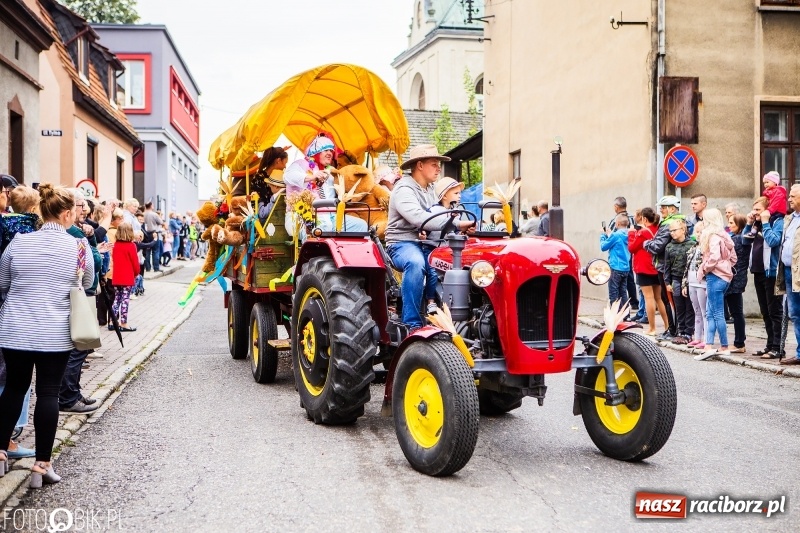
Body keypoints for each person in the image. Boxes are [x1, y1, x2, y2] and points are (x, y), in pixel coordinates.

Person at [0, 183, 93, 488]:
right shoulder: (79, 247)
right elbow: (87, 284)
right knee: (49, 393)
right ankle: (41, 467)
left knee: (14, 388)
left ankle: (0, 454)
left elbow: (3, 284)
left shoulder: (18, 242)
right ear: (67, 214)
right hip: (54, 332)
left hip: (15, 329)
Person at [386, 145, 475, 331]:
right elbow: (419, 217)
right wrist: (456, 224)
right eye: (434, 164)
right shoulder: (404, 189)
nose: (438, 169)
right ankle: (412, 324)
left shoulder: (430, 189)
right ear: (419, 165)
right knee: (416, 263)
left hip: (425, 242)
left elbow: (441, 213)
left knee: (458, 261)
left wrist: (462, 227)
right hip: (401, 243)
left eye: (438, 165)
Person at [284, 133, 368, 234]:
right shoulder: (301, 164)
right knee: (324, 226)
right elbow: (287, 177)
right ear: (316, 151)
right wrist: (312, 177)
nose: (330, 153)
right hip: (301, 218)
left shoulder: (329, 173)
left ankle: (346, 249)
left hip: (329, 217)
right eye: (326, 150)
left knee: (360, 225)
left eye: (331, 150)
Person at [643, 195, 692, 340]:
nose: (661, 210)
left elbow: (657, 246)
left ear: (672, 209)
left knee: (669, 301)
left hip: (666, 268)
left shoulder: (668, 224)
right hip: (671, 267)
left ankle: (673, 331)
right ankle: (675, 330)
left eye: (663, 208)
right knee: (672, 301)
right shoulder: (682, 220)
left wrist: (646, 243)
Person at [743, 196, 784, 357]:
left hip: (771, 272)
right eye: (754, 209)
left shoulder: (777, 222)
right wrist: (748, 223)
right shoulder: (755, 224)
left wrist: (766, 222)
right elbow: (745, 242)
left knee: (775, 311)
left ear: (768, 209)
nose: (755, 213)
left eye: (758, 210)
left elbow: (774, 241)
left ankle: (777, 347)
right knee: (765, 311)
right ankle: (769, 344)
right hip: (758, 271)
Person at [695, 209, 737, 360]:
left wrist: (705, 268)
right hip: (725, 277)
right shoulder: (725, 236)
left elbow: (713, 257)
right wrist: (725, 267)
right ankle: (708, 345)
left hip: (714, 276)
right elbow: (733, 258)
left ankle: (724, 346)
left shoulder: (712, 236)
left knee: (717, 313)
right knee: (710, 313)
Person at [629, 207, 669, 336]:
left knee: (649, 298)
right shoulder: (658, 230)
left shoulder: (642, 232)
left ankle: (652, 328)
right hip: (655, 267)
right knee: (659, 298)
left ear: (644, 219)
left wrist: (631, 234)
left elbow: (632, 247)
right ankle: (668, 325)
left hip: (643, 267)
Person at [776, 184, 800, 366]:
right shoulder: (790, 219)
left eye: (792, 196)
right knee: (795, 313)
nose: (789, 199)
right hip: (788, 271)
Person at [664, 219, 695, 344]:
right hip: (675, 279)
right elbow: (667, 266)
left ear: (683, 230)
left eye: (674, 230)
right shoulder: (669, 246)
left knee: (689, 306)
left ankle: (688, 332)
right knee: (679, 306)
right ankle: (680, 331)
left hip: (688, 280)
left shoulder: (692, 244)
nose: (672, 233)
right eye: (670, 231)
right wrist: (667, 283)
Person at [607, 196, 639, 311]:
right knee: (629, 278)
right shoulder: (632, 219)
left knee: (615, 287)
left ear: (616, 207)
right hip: (630, 253)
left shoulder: (615, 221)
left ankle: (615, 310)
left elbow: (609, 240)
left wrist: (604, 235)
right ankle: (633, 302)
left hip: (617, 258)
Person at [725, 213, 750, 354]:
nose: (729, 226)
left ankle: (739, 343)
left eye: (732, 223)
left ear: (739, 225)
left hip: (735, 279)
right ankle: (739, 341)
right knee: (736, 312)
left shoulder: (738, 240)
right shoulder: (737, 238)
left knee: (736, 312)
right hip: (735, 278)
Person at [111, 223, 140, 332]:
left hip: (117, 277)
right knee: (125, 300)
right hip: (127, 277)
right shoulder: (131, 246)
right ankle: (123, 323)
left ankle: (112, 321)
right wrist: (136, 273)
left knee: (117, 299)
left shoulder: (116, 245)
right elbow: (135, 264)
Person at [682, 222, 707, 349]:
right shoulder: (693, 248)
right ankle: (697, 337)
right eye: (696, 232)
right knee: (696, 310)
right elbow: (687, 267)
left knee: (704, 312)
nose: (698, 234)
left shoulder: (706, 249)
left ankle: (707, 339)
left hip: (702, 284)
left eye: (701, 232)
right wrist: (684, 284)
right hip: (691, 282)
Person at [600, 213, 630, 311]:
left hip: (615, 267)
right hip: (626, 268)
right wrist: (610, 235)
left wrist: (603, 236)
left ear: (617, 224)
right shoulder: (629, 234)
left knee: (613, 293)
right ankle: (626, 316)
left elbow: (603, 247)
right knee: (623, 292)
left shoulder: (616, 235)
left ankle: (614, 315)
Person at [142, 202, 164, 272]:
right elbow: (161, 222)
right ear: (151, 206)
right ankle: (156, 268)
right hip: (154, 232)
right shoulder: (154, 214)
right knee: (155, 251)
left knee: (147, 250)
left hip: (145, 233)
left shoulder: (143, 214)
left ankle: (148, 268)